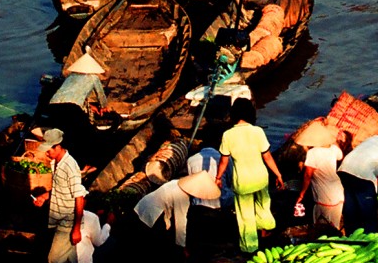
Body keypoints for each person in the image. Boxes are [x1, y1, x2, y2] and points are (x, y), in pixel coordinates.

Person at [215, 97, 285, 254]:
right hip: (261, 177)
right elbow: (267, 157)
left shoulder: (228, 135)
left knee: (245, 214)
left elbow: (223, 163)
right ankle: (266, 229)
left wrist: (218, 178)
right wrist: (278, 174)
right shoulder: (258, 131)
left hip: (243, 181)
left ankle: (250, 247)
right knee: (263, 204)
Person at [39, 128, 88, 263]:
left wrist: (76, 227)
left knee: (54, 260)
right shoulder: (55, 163)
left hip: (67, 221)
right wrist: (45, 196)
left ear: (58, 146)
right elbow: (60, 189)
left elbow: (79, 197)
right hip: (57, 218)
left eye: (50, 149)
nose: (47, 152)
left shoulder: (70, 166)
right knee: (70, 261)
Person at [337, 125, 378, 234]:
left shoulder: (373, 139)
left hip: (344, 171)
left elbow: (370, 166)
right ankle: (369, 242)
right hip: (362, 179)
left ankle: (351, 241)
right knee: (368, 217)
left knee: (351, 213)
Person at [133, 170, 220, 250]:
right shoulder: (182, 197)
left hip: (143, 204)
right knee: (153, 243)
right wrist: (182, 246)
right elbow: (180, 223)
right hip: (152, 212)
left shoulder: (175, 182)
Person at [294, 131, 352, 231]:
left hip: (324, 195)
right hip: (338, 192)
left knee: (321, 228)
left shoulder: (313, 153)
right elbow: (340, 156)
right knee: (334, 227)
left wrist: (302, 194)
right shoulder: (334, 149)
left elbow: (308, 174)